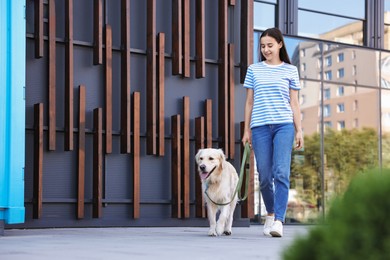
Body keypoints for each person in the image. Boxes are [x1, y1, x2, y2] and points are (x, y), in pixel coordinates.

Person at [242, 27, 303, 237]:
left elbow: (294, 103)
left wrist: (299, 130)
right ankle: (270, 212)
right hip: (259, 127)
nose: (266, 49)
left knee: (281, 173)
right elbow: (249, 102)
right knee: (265, 177)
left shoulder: (290, 70)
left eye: (270, 45)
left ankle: (278, 220)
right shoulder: (254, 69)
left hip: (284, 125)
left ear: (279, 44)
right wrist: (246, 130)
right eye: (262, 46)